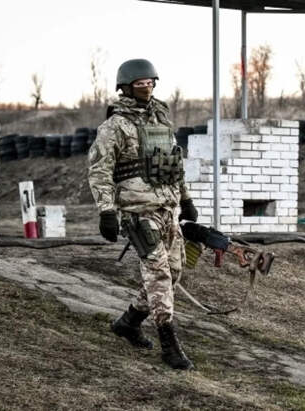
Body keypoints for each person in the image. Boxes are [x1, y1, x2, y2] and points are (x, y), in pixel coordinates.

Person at [87, 59, 198, 370]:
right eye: (139, 83)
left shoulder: (161, 121)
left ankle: (128, 322)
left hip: (167, 208)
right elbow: (99, 172)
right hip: (137, 212)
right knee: (158, 273)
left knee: (174, 271)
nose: (146, 87)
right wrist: (106, 211)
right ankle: (169, 344)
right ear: (125, 87)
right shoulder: (114, 127)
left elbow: (174, 164)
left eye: (150, 82)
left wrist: (186, 199)